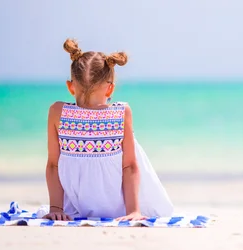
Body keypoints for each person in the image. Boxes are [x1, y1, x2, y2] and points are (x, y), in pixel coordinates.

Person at [42, 39, 174, 221]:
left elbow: (53, 165)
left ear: (71, 86)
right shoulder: (121, 112)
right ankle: (135, 209)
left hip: (75, 206)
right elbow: (130, 166)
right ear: (110, 88)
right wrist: (134, 211)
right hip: (120, 207)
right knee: (130, 151)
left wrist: (56, 208)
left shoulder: (57, 111)